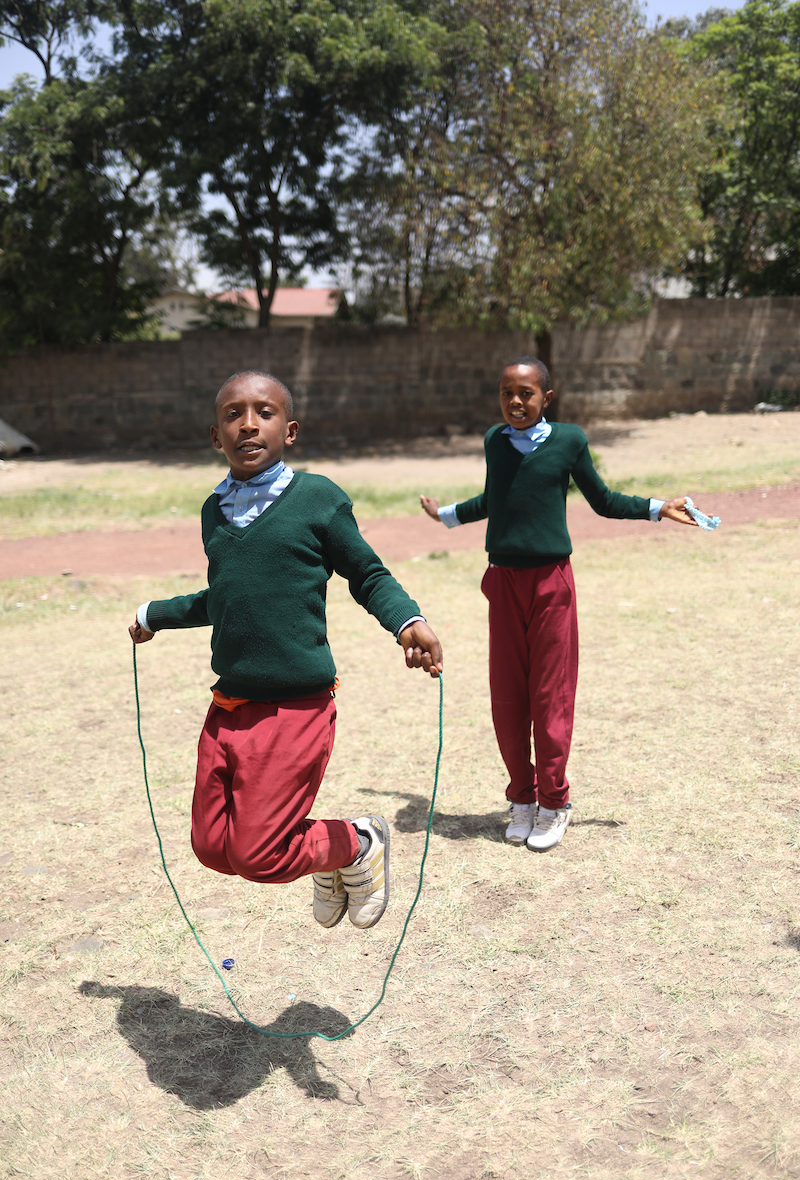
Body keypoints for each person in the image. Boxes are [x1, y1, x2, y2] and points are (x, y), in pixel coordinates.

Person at [130, 369, 443, 931]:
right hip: (228, 707)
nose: (249, 424)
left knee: (260, 856)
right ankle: (324, 851)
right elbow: (225, 597)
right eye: (233, 414)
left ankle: (356, 842)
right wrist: (154, 615)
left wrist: (406, 621)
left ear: (289, 429)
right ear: (215, 435)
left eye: (265, 412)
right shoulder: (214, 511)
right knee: (211, 846)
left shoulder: (317, 499)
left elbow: (367, 574)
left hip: (295, 707)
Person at [420, 356, 709, 854]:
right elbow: (495, 498)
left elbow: (602, 499)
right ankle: (523, 799)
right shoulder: (495, 441)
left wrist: (657, 508)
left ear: (546, 398)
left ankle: (554, 803)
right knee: (508, 696)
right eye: (507, 392)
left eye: (526, 393)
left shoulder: (569, 441)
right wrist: (446, 515)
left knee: (549, 696)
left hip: (552, 584)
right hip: (503, 583)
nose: (516, 401)